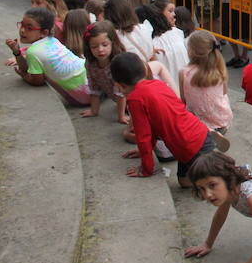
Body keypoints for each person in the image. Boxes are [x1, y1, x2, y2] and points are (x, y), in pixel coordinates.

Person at [111, 52, 225, 186]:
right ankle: (211, 148)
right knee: (184, 182)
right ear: (144, 69)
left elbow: (143, 136)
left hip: (189, 145)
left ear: (120, 85)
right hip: (194, 134)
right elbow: (152, 128)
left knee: (211, 180)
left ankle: (223, 165)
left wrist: (146, 169)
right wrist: (143, 152)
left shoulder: (135, 99)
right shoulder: (157, 84)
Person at [6, 7, 89, 106]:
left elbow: (37, 81)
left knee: (45, 74)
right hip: (94, 84)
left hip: (83, 97)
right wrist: (17, 52)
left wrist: (24, 76)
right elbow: (28, 68)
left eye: (29, 28)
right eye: (21, 25)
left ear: (44, 32)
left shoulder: (33, 51)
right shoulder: (53, 40)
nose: (22, 30)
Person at [180, 30, 233, 134]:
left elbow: (183, 99)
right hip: (222, 119)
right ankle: (215, 132)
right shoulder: (220, 69)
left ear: (191, 51)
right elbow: (224, 92)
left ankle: (206, 133)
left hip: (197, 120)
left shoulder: (184, 72)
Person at [80, 20, 129, 123]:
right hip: (123, 103)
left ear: (113, 43)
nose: (100, 49)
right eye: (94, 47)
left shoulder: (118, 63)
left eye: (105, 45)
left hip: (132, 102)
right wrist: (94, 111)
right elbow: (94, 88)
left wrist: (121, 116)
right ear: (89, 48)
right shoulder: (90, 64)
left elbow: (121, 93)